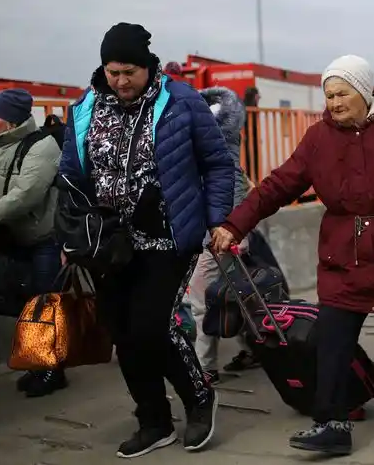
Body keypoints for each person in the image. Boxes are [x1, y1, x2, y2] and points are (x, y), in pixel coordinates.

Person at [210, 55, 374, 455]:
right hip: (345, 250)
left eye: (342, 94)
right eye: (329, 95)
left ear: (364, 92)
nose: (334, 103)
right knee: (333, 334)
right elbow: (277, 186)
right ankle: (332, 421)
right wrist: (235, 224)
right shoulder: (318, 138)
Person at [57, 23, 235, 458]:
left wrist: (217, 219)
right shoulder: (84, 108)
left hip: (168, 237)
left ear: (148, 66)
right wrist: (72, 233)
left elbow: (217, 163)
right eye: (113, 71)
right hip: (109, 244)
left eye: (130, 71)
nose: (121, 80)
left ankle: (198, 398)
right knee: (122, 332)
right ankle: (153, 420)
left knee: (153, 327)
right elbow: (70, 175)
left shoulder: (181, 102)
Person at [0, 89, 65, 396]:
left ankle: (51, 370)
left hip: (43, 239)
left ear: (13, 118)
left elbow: (28, 194)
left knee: (43, 305)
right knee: (23, 304)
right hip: (13, 237)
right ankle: (35, 365)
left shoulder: (43, 147)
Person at [186, 86, 261, 380]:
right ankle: (253, 347)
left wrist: (234, 232)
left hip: (221, 237)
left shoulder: (211, 149)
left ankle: (205, 368)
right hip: (227, 234)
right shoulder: (225, 147)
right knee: (234, 297)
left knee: (203, 299)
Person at [242, 86, 261, 182]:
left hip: (250, 137)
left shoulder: (245, 106)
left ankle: (252, 179)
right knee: (252, 157)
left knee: (251, 158)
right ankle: (254, 178)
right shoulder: (249, 108)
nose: (259, 98)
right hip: (249, 137)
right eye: (258, 96)